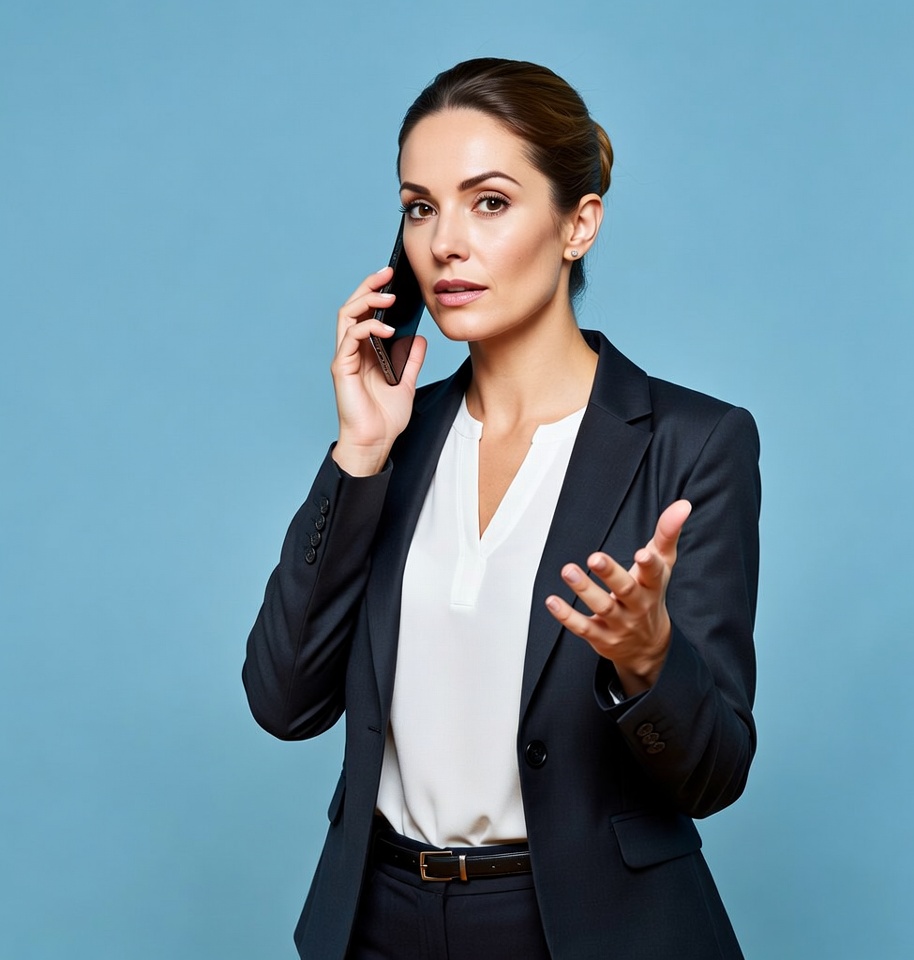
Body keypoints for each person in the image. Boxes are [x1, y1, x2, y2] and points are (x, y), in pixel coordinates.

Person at [243, 57, 760, 960]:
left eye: (489, 202)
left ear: (578, 224)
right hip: (379, 917)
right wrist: (359, 453)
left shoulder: (692, 444)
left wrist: (649, 662)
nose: (445, 242)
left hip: (581, 927)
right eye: (420, 207)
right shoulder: (397, 442)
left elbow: (714, 771)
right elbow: (284, 700)